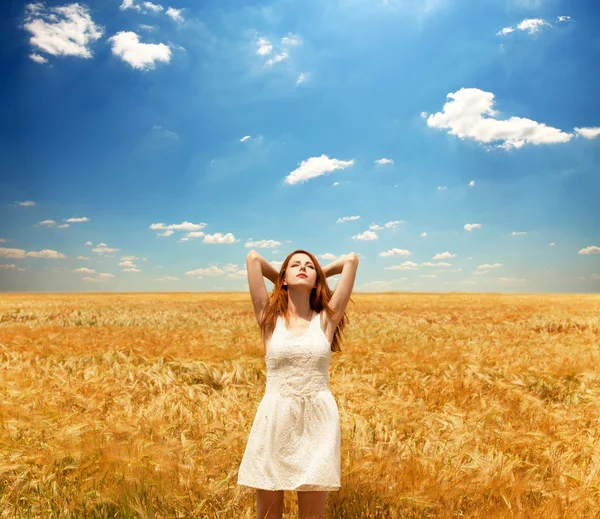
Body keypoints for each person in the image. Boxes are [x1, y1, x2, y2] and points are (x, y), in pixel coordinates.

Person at [237, 249, 359, 519]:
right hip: (274, 419)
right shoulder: (269, 320)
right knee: (268, 515)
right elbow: (253, 259)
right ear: (282, 279)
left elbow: (350, 260)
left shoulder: (326, 321)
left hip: (318, 422)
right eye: (295, 265)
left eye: (308, 266)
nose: (302, 268)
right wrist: (286, 278)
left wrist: (318, 275)